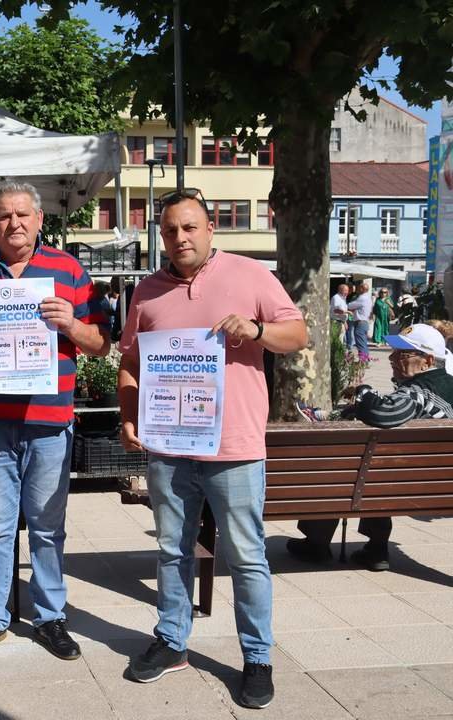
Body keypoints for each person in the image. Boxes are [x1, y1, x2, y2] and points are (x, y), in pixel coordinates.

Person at [117, 188, 307, 710]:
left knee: (246, 557)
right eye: (170, 229)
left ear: (209, 229)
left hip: (235, 448)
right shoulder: (148, 291)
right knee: (171, 550)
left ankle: (257, 658)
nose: (180, 237)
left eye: (189, 227)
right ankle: (173, 641)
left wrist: (258, 329)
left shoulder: (251, 275)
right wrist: (129, 416)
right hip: (170, 447)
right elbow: (131, 361)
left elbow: (298, 333)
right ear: (161, 235)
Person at [0, 181, 110, 661]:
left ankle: (50, 617)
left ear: (39, 220)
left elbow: (102, 342)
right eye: (4, 216)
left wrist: (71, 325)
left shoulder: (69, 270)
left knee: (49, 528)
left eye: (23, 215)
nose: (14, 223)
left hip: (49, 422)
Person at [291, 323, 453, 571]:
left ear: (428, 360)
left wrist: (364, 391)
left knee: (344, 471)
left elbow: (382, 413)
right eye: (394, 351)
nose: (392, 358)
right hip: (435, 483)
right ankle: (375, 548)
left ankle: (317, 543)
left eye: (402, 354)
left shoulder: (420, 392)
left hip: (403, 483)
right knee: (377, 469)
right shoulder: (443, 387)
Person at [348, 282, 372, 360]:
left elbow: (350, 306)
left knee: (360, 343)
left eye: (358, 288)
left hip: (360, 322)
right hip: (364, 322)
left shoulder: (362, 298)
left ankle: (363, 360)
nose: (357, 289)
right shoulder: (368, 297)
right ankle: (365, 358)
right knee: (363, 342)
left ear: (362, 289)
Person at [330, 284, 350, 348]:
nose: (347, 292)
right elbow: (336, 310)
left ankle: (340, 356)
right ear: (340, 290)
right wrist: (347, 312)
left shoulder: (343, 298)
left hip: (341, 322)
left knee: (341, 341)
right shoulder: (336, 297)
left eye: (347, 290)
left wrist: (345, 322)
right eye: (345, 290)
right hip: (336, 322)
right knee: (337, 341)